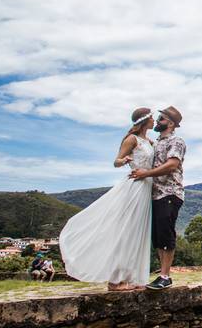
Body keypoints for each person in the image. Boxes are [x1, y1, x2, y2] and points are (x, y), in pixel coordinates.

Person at [59, 107, 155, 291]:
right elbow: (116, 161)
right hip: (135, 186)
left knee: (138, 232)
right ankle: (115, 279)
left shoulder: (148, 140)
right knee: (127, 230)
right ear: (144, 121)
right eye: (152, 118)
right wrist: (125, 160)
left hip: (146, 187)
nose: (154, 120)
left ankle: (133, 277)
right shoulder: (132, 139)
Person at [130, 106, 186, 290]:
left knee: (166, 234)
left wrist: (146, 174)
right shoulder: (157, 142)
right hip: (155, 193)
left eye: (160, 119)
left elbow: (172, 165)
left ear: (170, 123)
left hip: (169, 192)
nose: (157, 121)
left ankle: (165, 275)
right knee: (158, 236)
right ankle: (162, 274)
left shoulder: (176, 141)